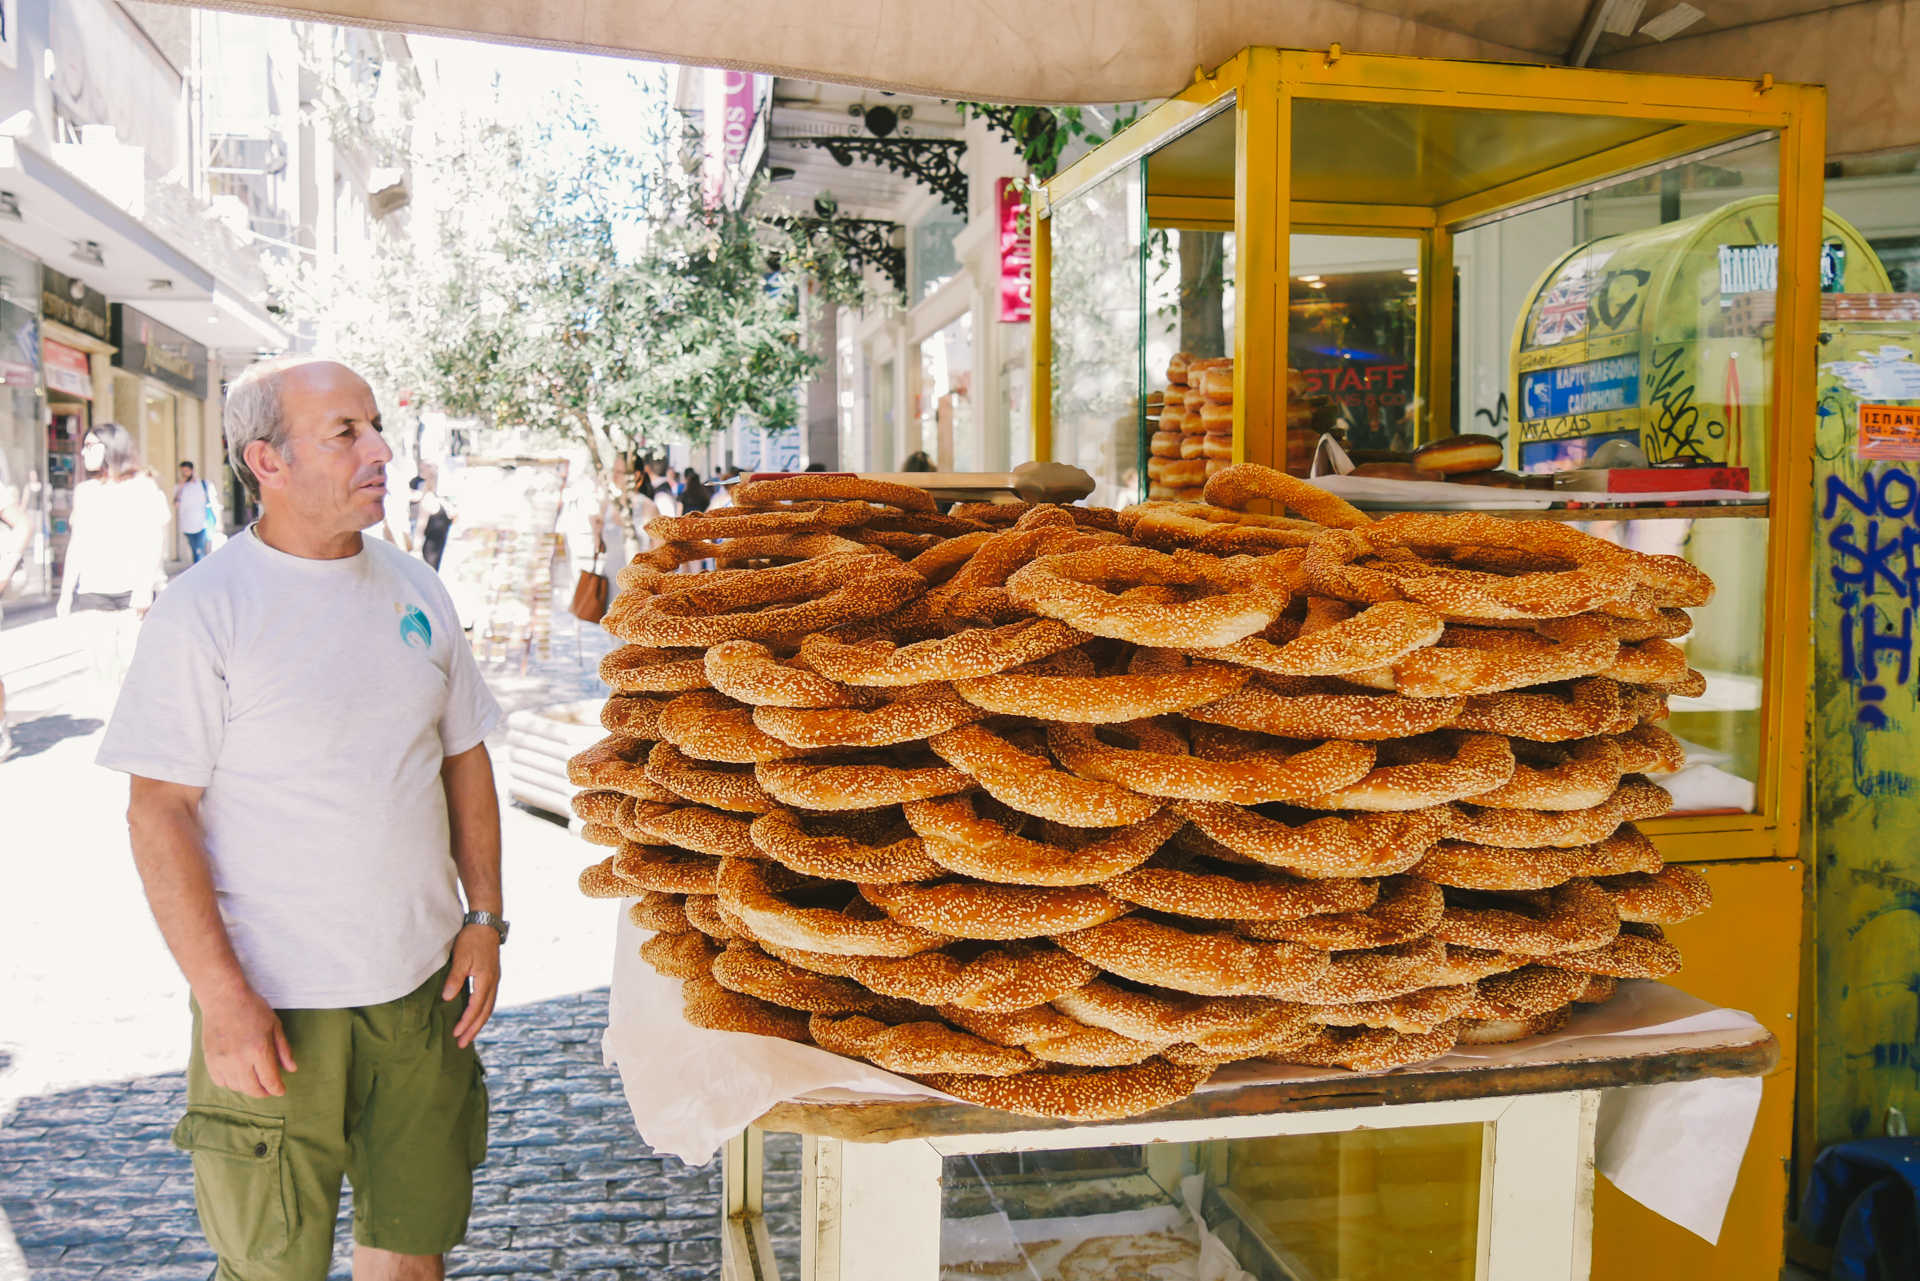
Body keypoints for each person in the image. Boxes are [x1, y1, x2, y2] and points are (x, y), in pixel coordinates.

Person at [98, 356, 505, 1281]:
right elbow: (157, 813)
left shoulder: (417, 589)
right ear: (267, 464)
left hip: (419, 994)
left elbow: (464, 756)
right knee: (269, 1264)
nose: (381, 451)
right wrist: (221, 997)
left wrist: (483, 916)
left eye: (374, 425)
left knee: (412, 1249)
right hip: (273, 1008)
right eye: (346, 434)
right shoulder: (205, 611)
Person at [57, 422, 171, 685]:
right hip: (94, 592)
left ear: (111, 448)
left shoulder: (141, 486)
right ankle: (112, 724)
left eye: (89, 446)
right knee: (104, 670)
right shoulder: (84, 492)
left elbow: (154, 538)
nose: (83, 453)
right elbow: (78, 544)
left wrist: (144, 587)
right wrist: (66, 593)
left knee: (134, 670)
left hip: (133, 594)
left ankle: (134, 724)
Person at [174, 460, 217, 564]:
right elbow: (176, 505)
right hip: (187, 525)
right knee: (194, 550)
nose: (184, 474)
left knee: (199, 550)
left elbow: (214, 502)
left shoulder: (204, 484)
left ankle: (200, 571)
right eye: (183, 471)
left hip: (202, 523)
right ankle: (199, 568)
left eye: (186, 471)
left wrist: (218, 521)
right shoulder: (178, 487)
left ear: (192, 471)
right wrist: (180, 488)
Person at [416, 464, 453, 570]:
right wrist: (417, 550)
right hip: (430, 552)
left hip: (439, 550)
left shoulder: (444, 501)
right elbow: (420, 528)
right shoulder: (429, 499)